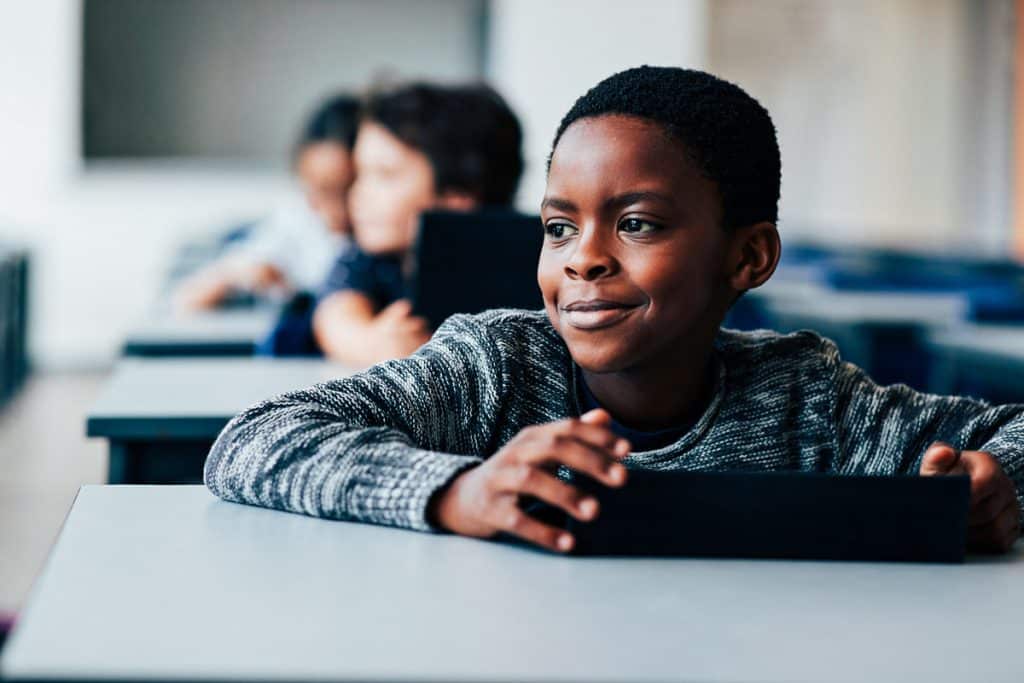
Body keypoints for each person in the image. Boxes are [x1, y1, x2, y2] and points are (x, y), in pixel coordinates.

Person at [205, 66, 1023, 555]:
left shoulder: (807, 400)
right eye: (559, 226)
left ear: (749, 257)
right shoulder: (498, 368)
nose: (582, 257)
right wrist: (458, 493)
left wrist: (998, 487)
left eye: (636, 224)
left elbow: (1011, 438)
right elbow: (253, 441)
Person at [312, 82, 523, 365]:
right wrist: (370, 343)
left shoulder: (524, 259)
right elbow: (335, 316)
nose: (358, 193)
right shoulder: (369, 259)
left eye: (385, 175)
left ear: (456, 193)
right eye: (360, 173)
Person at [175, 95, 360, 310]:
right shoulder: (296, 224)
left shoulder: (378, 239)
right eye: (319, 191)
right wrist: (241, 272)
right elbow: (187, 300)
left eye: (346, 190)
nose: (335, 210)